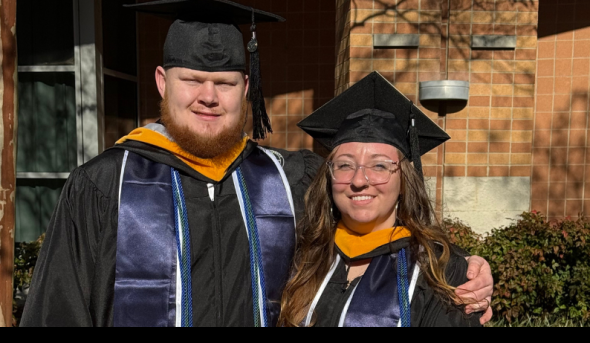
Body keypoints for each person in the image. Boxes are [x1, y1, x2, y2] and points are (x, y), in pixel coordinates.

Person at [21, 1, 493, 327]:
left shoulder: (290, 179)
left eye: (224, 83)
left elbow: (377, 229)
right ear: (163, 82)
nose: (208, 96)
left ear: (247, 89)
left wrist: (466, 271)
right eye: (193, 80)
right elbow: (57, 311)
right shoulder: (104, 185)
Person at [280, 72, 483, 327]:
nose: (358, 180)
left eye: (379, 166)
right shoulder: (303, 258)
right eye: (344, 165)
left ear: (403, 181)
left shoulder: (438, 271)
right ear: (329, 177)